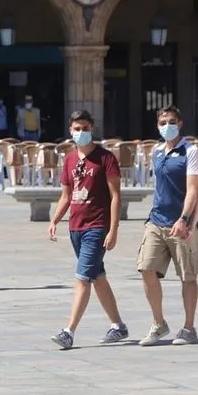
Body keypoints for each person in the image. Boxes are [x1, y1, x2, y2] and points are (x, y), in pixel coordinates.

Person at [48, 110, 128, 350]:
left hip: (97, 226)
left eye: (85, 128)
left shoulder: (105, 158)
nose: (81, 132)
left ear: (92, 128)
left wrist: (113, 230)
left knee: (82, 277)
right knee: (97, 276)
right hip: (76, 226)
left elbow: (116, 196)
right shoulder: (70, 159)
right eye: (76, 129)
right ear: (70, 130)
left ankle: (68, 331)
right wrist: (55, 220)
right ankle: (118, 325)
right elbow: (66, 195)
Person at [136, 106, 198, 346]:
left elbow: (193, 189)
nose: (167, 126)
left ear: (180, 123)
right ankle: (159, 323)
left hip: (182, 223)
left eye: (172, 122)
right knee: (146, 267)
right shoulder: (156, 151)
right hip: (156, 220)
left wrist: (184, 219)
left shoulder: (190, 151)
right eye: (163, 123)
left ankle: (189, 327)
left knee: (187, 275)